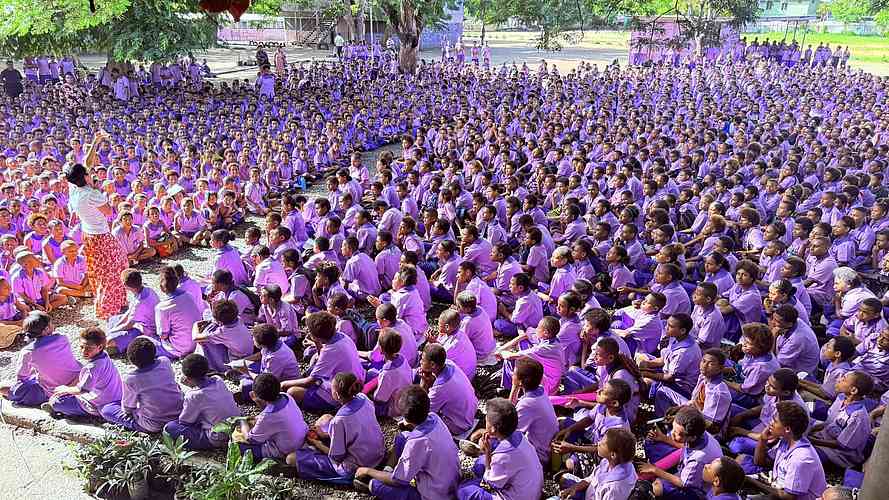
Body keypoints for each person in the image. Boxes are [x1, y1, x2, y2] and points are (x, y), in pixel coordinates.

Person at [354, 385, 460, 500]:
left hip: (434, 495)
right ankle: (387, 470)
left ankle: (379, 480)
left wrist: (368, 471)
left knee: (376, 484)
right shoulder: (435, 418)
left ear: (406, 419)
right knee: (402, 437)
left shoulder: (416, 442)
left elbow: (398, 481)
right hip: (451, 481)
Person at [64, 135, 128, 320]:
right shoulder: (92, 194)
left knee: (99, 272)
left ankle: (114, 302)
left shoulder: (74, 188)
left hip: (89, 235)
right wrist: (99, 190)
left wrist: (96, 141)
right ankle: (109, 308)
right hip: (101, 237)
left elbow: (86, 162)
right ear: (85, 177)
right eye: (88, 173)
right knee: (114, 269)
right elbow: (109, 212)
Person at [288, 372, 385, 484]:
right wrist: (326, 435)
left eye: (332, 389)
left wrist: (317, 444)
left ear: (337, 395)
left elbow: (336, 457)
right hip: (378, 454)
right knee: (326, 418)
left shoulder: (339, 420)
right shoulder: (364, 399)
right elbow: (356, 428)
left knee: (291, 459)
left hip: (357, 466)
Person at [455, 398, 544, 500]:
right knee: (479, 465)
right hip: (531, 487)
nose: (485, 421)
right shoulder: (519, 435)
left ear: (493, 429)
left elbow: (491, 483)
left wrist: (488, 453)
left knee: (463, 491)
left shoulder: (502, 457)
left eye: (486, 420)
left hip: (519, 497)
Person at [100, 336, 184, 433]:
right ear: (154, 352)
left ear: (131, 360)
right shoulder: (165, 362)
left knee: (106, 410)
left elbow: (128, 409)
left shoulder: (131, 379)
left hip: (153, 424)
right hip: (178, 415)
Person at [748, 401, 828, 500]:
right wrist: (762, 440)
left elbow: (788, 497)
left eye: (775, 421)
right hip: (779, 486)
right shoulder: (786, 441)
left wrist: (752, 482)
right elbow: (760, 462)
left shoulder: (801, 459)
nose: (771, 423)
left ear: (787, 429)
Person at [0, 311, 81, 407]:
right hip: (78, 379)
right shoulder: (63, 338)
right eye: (51, 323)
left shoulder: (28, 352)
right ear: (46, 329)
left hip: (53, 390)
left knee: (4, 388)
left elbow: (22, 377)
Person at [163, 353, 241, 450]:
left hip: (217, 437)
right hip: (237, 427)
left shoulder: (194, 396)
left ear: (188, 378)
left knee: (170, 428)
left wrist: (188, 391)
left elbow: (185, 422)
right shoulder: (218, 380)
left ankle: (214, 444)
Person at [238, 373, 308, 460]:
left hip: (287, 449)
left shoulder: (268, 416)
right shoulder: (286, 396)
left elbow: (251, 440)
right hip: (303, 437)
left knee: (239, 447)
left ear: (256, 396)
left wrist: (242, 421)